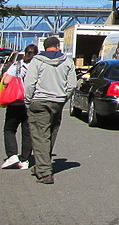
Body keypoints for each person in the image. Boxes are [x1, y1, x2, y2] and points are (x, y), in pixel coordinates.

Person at [23, 36, 77, 184]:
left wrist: (28, 100)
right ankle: (41, 164)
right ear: (58, 46)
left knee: (40, 136)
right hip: (57, 102)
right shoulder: (67, 61)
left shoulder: (37, 60)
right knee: (50, 133)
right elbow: (72, 84)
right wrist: (64, 98)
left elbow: (29, 83)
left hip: (39, 101)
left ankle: (45, 172)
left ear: (44, 47)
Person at [2, 44, 38, 170]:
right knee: (27, 132)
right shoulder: (38, 67)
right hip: (32, 102)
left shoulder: (17, 65)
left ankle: (12, 155)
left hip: (16, 102)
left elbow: (6, 81)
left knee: (9, 129)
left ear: (25, 53)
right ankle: (25, 159)